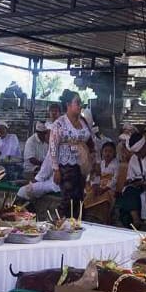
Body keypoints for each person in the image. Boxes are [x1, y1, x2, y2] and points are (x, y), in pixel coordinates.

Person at [47, 90, 95, 218]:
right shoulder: (59, 124)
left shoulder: (84, 122)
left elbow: (91, 141)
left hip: (82, 165)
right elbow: (53, 146)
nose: (80, 106)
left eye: (81, 103)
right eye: (77, 103)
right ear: (68, 104)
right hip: (66, 165)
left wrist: (94, 160)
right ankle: (58, 223)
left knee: (79, 198)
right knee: (68, 198)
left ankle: (77, 224)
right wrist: (56, 169)